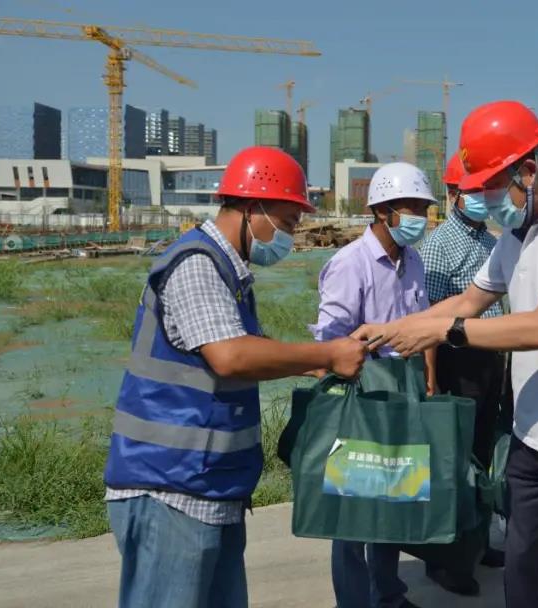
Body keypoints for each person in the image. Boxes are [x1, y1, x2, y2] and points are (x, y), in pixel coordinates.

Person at [351, 100, 538, 608]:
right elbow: (468, 300)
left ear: (529, 171)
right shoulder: (516, 236)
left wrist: (447, 334)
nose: (487, 201)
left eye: (491, 188)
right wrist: (394, 329)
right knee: (521, 579)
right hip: (533, 438)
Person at [102, 146, 366, 608]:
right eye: (285, 222)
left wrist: (311, 362)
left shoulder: (230, 272)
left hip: (209, 486)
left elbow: (240, 352)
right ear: (251, 208)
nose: (288, 236)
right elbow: (229, 356)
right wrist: (328, 351)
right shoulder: (197, 265)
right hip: (170, 487)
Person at [309, 161, 437, 608]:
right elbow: (329, 340)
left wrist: (428, 379)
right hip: (360, 394)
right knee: (352, 508)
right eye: (413, 206)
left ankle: (388, 593)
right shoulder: (351, 264)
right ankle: (354, 600)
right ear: (383, 211)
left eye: (424, 206)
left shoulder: (414, 260)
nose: (420, 215)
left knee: (394, 498)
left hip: (403, 391)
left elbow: (424, 326)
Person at [416, 154, 505, 596]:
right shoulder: (437, 245)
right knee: (453, 460)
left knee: (482, 453)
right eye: (472, 192)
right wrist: (431, 377)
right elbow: (428, 320)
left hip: (490, 360)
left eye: (484, 192)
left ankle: (478, 539)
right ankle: (446, 560)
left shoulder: (491, 241)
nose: (481, 200)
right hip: (457, 360)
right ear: (453, 194)